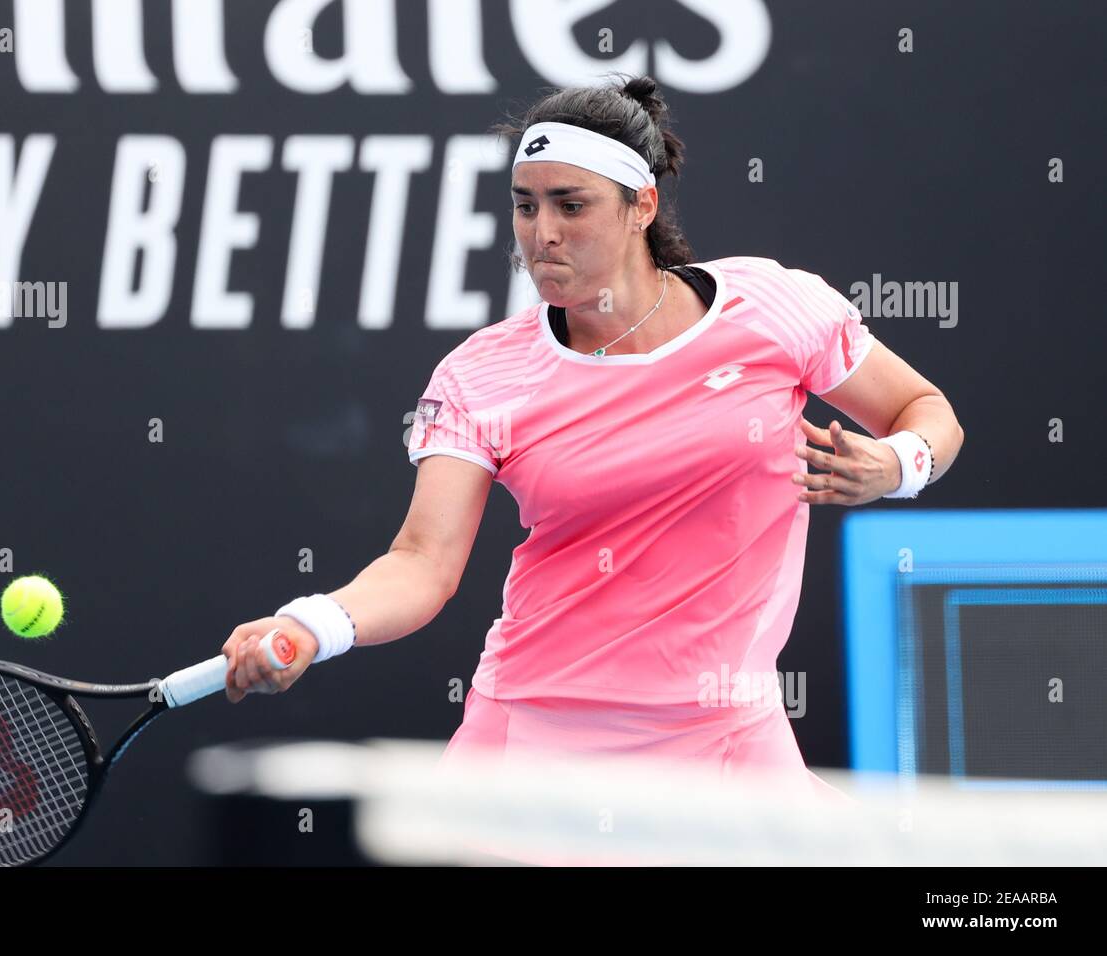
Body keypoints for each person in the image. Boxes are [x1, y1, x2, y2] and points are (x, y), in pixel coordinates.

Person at [219, 74, 964, 804]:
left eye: (571, 206)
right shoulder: (483, 374)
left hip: (729, 738)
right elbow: (422, 563)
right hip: (534, 744)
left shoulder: (776, 309)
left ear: (641, 205)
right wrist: (315, 622)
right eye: (525, 206)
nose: (542, 235)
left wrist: (898, 464)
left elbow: (925, 409)